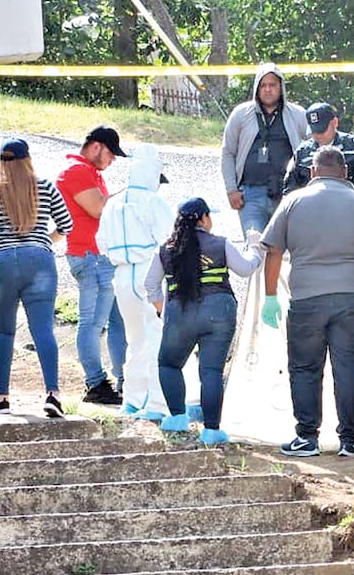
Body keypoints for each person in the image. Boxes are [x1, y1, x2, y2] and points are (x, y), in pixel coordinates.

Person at [260, 146, 354, 458]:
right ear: (345, 173)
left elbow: (273, 252)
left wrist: (270, 297)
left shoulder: (292, 202)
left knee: (306, 368)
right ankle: (351, 440)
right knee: (348, 368)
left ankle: (307, 438)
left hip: (307, 298)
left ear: (312, 172)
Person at [0, 139, 72, 417]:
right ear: (27, 159)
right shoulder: (45, 187)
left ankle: (2, 398)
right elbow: (66, 225)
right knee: (42, 329)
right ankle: (52, 394)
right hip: (39, 260)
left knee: (3, 330)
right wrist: (42, 241)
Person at [149, 198, 264, 445]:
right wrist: (255, 248)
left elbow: (150, 285)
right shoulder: (220, 244)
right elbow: (245, 269)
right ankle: (211, 431)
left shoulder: (166, 249)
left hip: (180, 313)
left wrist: (162, 310)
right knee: (211, 371)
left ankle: (177, 417)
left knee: (168, 364)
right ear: (203, 218)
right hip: (219, 311)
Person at [96, 145, 173, 419]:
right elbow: (170, 241)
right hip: (149, 271)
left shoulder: (113, 204)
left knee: (135, 338)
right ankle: (157, 403)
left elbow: (101, 243)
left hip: (121, 275)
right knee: (157, 336)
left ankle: (132, 398)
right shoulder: (153, 202)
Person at [56, 125, 127, 405]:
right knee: (93, 322)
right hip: (89, 256)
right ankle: (96, 383)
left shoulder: (89, 172)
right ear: (96, 146)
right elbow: (97, 209)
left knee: (115, 320)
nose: (112, 161)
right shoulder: (76, 171)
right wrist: (131, 190)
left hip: (97, 256)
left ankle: (121, 379)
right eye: (111, 154)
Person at [220, 62, 308, 235]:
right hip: (250, 195)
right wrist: (231, 190)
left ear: (280, 87)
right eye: (263, 85)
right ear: (256, 88)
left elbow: (311, 151)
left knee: (291, 250)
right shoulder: (240, 114)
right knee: (254, 250)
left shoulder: (297, 114)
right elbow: (228, 152)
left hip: (287, 195)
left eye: (272, 85)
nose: (268, 89)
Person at [283, 102, 354, 196]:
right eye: (314, 131)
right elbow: (290, 188)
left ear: (335, 122)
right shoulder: (301, 153)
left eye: (322, 130)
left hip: (350, 204)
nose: (318, 135)